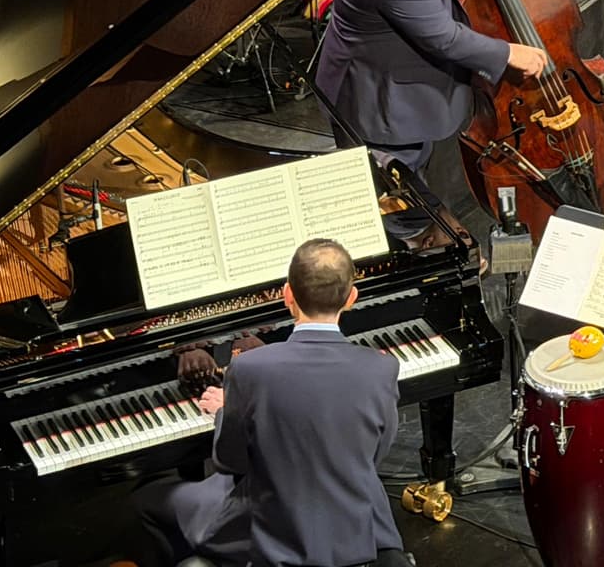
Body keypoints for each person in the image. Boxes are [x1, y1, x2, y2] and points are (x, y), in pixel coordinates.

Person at [315, 0, 549, 246]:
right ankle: (414, 247)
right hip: (382, 101)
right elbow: (443, 37)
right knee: (399, 195)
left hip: (366, 71)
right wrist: (508, 53)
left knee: (403, 179)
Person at [134, 239, 404, 567]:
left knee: (148, 497)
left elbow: (231, 462)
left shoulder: (249, 368)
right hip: (354, 528)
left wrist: (225, 411)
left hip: (273, 535)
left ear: (287, 294)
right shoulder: (381, 367)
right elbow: (374, 455)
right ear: (352, 298)